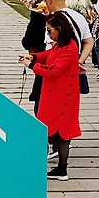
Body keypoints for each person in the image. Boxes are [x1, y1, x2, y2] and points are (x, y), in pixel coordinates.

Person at [21, 11, 82, 181]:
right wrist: (33, 56)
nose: (48, 33)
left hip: (62, 97)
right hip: (54, 95)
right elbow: (47, 55)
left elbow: (53, 70)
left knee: (60, 132)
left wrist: (32, 65)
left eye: (49, 30)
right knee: (49, 130)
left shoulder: (70, 47)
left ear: (60, 29)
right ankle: (57, 168)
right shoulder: (60, 44)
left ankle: (61, 168)